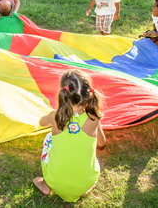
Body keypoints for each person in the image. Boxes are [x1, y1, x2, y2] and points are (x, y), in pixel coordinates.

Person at [33, 69, 106, 202]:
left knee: (49, 138)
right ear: (87, 94)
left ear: (64, 93)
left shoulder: (55, 116)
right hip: (85, 182)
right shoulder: (93, 118)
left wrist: (52, 115)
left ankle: (46, 184)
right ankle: (83, 188)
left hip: (56, 181)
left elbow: (40, 122)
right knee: (91, 162)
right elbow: (101, 143)